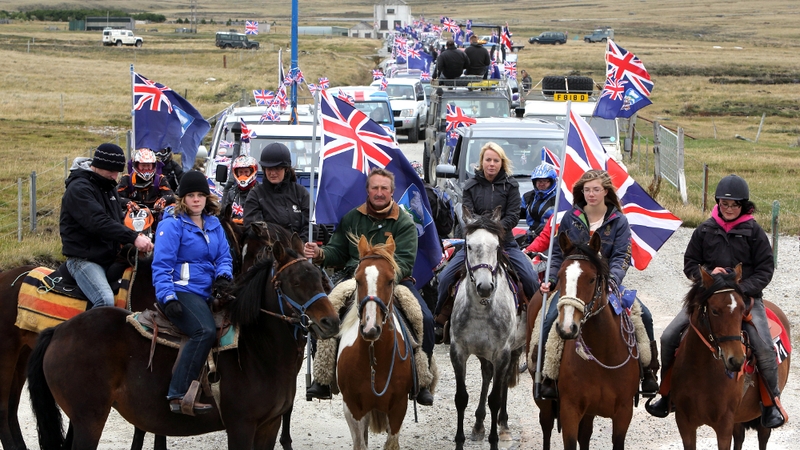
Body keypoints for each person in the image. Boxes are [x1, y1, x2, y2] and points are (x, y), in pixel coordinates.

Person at [646, 174, 784, 428]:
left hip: (745, 299)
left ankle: (771, 403)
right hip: (708, 298)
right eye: (724, 204)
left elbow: (765, 269)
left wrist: (741, 288)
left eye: (734, 205)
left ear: (744, 206)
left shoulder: (754, 232)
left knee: (764, 347)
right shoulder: (705, 229)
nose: (728, 209)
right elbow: (690, 263)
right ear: (718, 203)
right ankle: (666, 394)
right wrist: (707, 275)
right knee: (669, 336)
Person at [303, 168, 436, 406]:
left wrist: (384, 278)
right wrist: (320, 253)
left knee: (424, 317)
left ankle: (421, 379)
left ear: (392, 192)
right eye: (375, 188)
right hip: (355, 280)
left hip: (393, 282)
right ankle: (323, 377)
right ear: (367, 191)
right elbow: (338, 251)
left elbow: (405, 261)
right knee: (325, 313)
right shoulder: (352, 218)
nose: (379, 192)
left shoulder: (405, 222)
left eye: (384, 188)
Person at [537, 169, 658, 399]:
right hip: (573, 286)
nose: (591, 194)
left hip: (606, 283)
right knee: (550, 318)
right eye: (587, 190)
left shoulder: (619, 221)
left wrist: (612, 280)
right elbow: (557, 255)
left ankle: (648, 371)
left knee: (645, 317)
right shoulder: (570, 218)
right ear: (581, 192)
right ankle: (546, 373)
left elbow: (622, 256)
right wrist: (551, 279)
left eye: (596, 189)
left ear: (605, 192)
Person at [152, 170, 233, 415]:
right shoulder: (171, 225)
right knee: (204, 330)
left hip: (207, 291)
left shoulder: (214, 224)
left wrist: (223, 277)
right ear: (182, 199)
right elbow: (162, 266)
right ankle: (178, 394)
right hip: (181, 291)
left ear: (207, 198)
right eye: (190, 195)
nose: (196, 199)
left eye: (200, 195)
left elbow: (224, 257)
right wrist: (168, 297)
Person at [434, 143, 539, 333]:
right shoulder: (470, 185)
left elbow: (513, 216)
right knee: (444, 277)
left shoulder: (511, 186)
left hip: (505, 243)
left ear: (502, 163)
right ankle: (440, 319)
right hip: (474, 244)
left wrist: (494, 231)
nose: (491, 164)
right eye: (488, 160)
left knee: (530, 278)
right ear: (482, 162)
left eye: (496, 160)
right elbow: (467, 213)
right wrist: (482, 232)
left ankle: (536, 322)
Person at [60, 143, 154, 308]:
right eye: (111, 171)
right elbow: (99, 222)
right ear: (98, 165)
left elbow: (117, 220)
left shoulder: (107, 185)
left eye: (118, 171)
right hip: (83, 259)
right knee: (105, 300)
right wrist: (133, 238)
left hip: (108, 256)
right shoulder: (79, 189)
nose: (115, 176)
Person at [243, 143, 310, 240]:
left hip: (299, 247)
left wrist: (299, 245)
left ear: (286, 169)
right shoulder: (256, 195)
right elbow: (253, 227)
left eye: (277, 168)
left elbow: (311, 224)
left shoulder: (301, 193)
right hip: (268, 246)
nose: (273, 173)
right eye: (269, 169)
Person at [521, 163, 558, 241]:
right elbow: (515, 215)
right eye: (538, 181)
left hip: (552, 239)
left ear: (552, 181)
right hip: (530, 237)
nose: (541, 184)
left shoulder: (560, 198)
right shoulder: (527, 197)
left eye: (545, 181)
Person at [221, 155, 258, 224]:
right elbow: (225, 214)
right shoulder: (232, 192)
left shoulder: (260, 191)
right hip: (234, 227)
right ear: (236, 173)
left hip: (254, 228)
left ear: (252, 172)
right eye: (240, 172)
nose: (243, 175)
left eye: (246, 172)